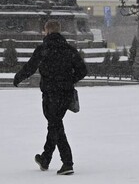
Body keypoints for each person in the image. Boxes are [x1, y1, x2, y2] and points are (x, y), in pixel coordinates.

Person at [13, 20, 87, 176]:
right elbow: (83, 70)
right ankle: (45, 159)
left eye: (44, 31)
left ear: (47, 31)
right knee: (54, 124)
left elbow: (30, 67)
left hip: (51, 93)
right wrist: (69, 80)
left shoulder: (43, 49)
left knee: (55, 125)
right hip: (65, 93)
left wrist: (18, 78)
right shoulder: (69, 49)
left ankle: (67, 163)